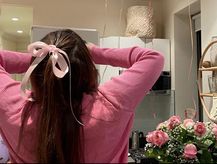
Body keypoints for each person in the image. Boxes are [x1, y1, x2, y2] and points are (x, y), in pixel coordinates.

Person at [0, 29, 164, 163]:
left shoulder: (14, 108)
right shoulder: (112, 103)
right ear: (87, 67)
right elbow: (153, 58)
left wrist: (40, 58)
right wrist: (94, 51)